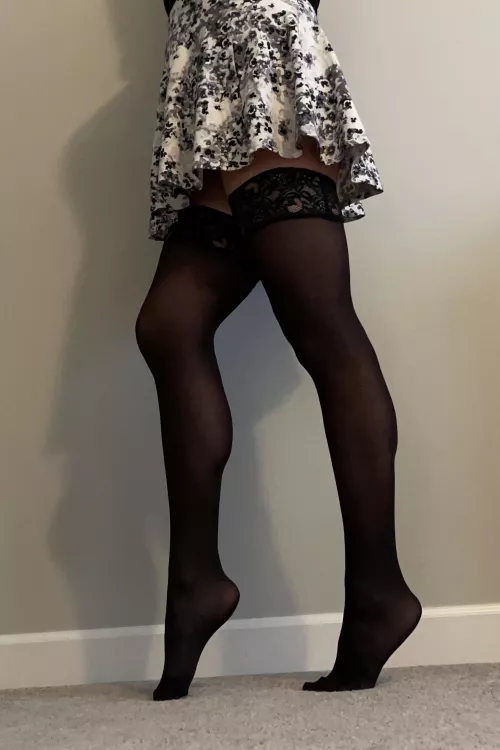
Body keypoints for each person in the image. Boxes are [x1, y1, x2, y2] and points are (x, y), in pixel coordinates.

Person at [137, 0, 422, 701]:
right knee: (169, 326)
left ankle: (379, 591)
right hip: (208, 73)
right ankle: (196, 581)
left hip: (257, 49)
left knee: (324, 328)